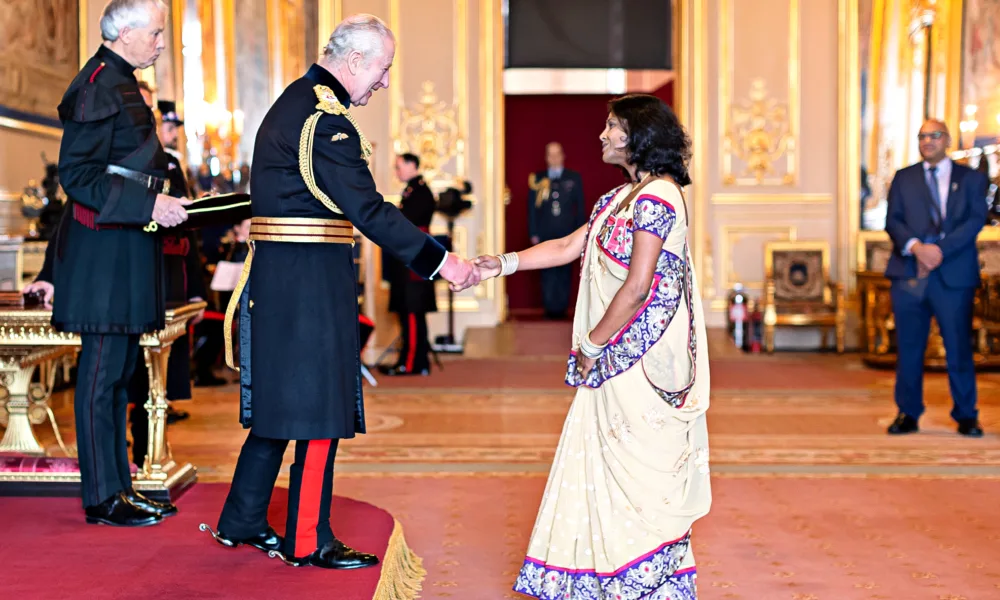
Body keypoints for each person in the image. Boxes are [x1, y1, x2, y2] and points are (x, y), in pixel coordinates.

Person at [208, 14, 479, 569]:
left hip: (282, 278)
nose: (382, 83)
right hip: (308, 284)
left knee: (281, 407)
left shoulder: (294, 101)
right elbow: (371, 211)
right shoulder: (325, 121)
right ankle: (307, 541)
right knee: (317, 410)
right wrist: (442, 262)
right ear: (354, 61)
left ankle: (241, 520)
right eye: (381, 69)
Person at [476, 95, 711, 598]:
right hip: (617, 357)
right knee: (607, 468)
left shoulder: (659, 198)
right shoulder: (618, 199)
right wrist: (500, 264)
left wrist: (592, 345)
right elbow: (566, 246)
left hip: (640, 360)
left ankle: (647, 582)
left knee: (641, 473)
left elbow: (638, 285)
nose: (601, 136)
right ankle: (608, 578)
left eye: (611, 127)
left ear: (638, 136)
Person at [52, 0, 191, 526]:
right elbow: (78, 176)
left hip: (124, 244)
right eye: (155, 33)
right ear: (126, 32)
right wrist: (149, 204)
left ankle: (121, 489)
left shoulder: (120, 79)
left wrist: (162, 202)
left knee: (122, 373)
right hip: (102, 251)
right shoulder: (97, 84)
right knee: (102, 374)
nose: (160, 42)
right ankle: (102, 498)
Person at [884, 119, 988, 437]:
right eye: (922, 136)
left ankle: (966, 415)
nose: (927, 141)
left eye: (934, 135)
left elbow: (974, 220)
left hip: (953, 275)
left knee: (958, 347)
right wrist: (917, 248)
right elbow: (894, 221)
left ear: (948, 140)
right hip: (909, 276)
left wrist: (938, 251)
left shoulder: (970, 179)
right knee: (909, 349)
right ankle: (908, 413)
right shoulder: (904, 178)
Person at [127, 93, 207, 468]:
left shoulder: (170, 163)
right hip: (126, 273)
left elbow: (186, 228)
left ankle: (152, 453)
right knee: (124, 375)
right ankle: (122, 461)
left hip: (165, 275)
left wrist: (195, 291)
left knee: (159, 370)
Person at [381, 153, 438, 376]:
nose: (397, 172)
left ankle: (413, 362)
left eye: (399, 167)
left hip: (413, 260)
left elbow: (407, 223)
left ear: (412, 165)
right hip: (408, 259)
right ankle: (409, 359)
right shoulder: (412, 190)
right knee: (407, 311)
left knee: (413, 311)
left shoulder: (421, 192)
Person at [527, 142, 585, 319]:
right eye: (550, 154)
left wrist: (581, 233)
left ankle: (561, 309)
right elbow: (531, 209)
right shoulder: (537, 179)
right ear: (546, 157)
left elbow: (580, 207)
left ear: (562, 155)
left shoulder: (573, 178)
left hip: (568, 232)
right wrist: (533, 232)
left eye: (557, 154)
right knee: (546, 271)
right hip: (545, 232)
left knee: (564, 271)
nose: (554, 158)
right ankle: (549, 308)